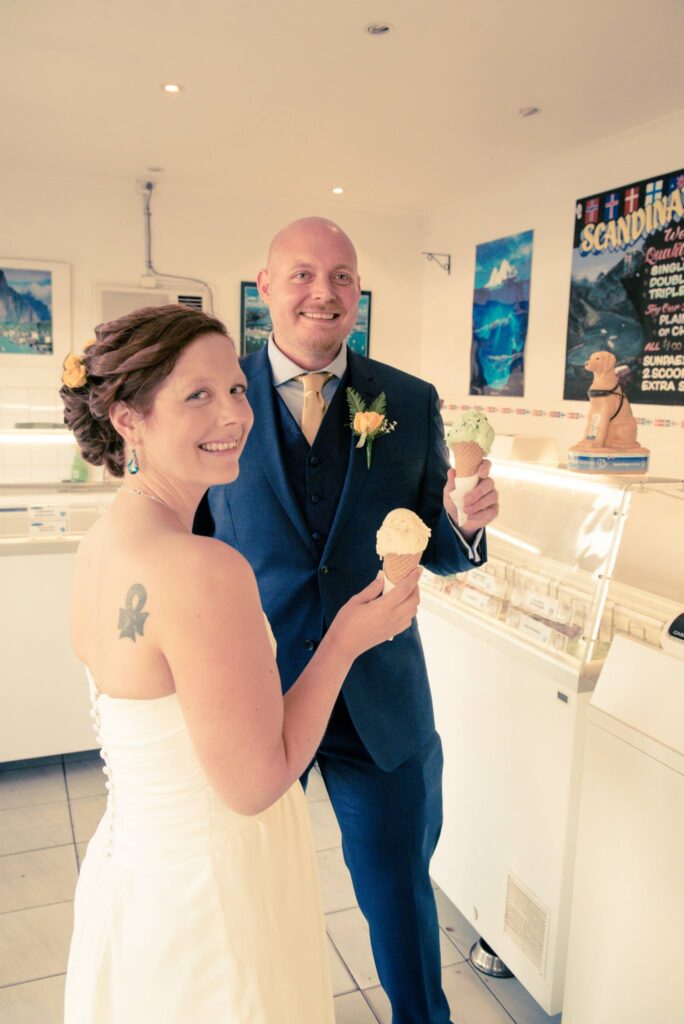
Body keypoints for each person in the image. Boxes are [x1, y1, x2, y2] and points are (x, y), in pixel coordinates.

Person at [60, 303, 420, 1024]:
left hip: (135, 875)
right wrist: (346, 640)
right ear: (129, 419)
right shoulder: (201, 567)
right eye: (197, 395)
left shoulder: (101, 541)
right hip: (211, 890)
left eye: (235, 389)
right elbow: (256, 783)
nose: (234, 414)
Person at [195, 217, 500, 1024]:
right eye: (300, 274)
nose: (322, 293)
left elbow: (432, 543)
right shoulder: (213, 402)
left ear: (359, 294)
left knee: (399, 897)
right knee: (244, 893)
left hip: (380, 703)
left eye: (340, 277)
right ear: (263, 288)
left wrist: (464, 523)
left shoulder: (406, 398)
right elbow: (191, 541)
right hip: (256, 697)